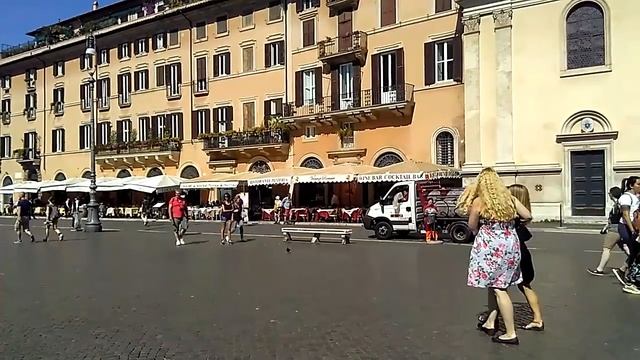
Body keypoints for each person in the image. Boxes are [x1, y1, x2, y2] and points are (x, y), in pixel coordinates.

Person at [457, 168, 532, 345]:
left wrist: (481, 233)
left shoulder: (479, 202)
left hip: (490, 245)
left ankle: (510, 333)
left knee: (499, 288)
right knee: (494, 284)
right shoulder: (510, 199)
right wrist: (511, 224)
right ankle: (491, 322)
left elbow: (472, 225)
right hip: (510, 242)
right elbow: (528, 215)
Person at [508, 184, 543, 331]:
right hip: (524, 254)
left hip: (515, 254)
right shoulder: (521, 219)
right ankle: (537, 319)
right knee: (525, 285)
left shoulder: (512, 218)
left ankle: (493, 318)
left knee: (498, 287)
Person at [588, 186, 624, 276]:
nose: (608, 195)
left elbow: (616, 219)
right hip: (617, 229)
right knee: (627, 250)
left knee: (606, 249)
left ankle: (600, 269)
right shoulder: (618, 204)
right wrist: (605, 227)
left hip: (615, 230)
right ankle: (629, 266)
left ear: (612, 194)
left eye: (609, 193)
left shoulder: (618, 205)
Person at [612, 176, 640, 294]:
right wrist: (633, 230)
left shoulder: (635, 197)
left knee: (635, 252)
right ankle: (630, 277)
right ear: (631, 185)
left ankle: (623, 271)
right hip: (627, 227)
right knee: (636, 252)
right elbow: (625, 215)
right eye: (638, 184)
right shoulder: (626, 197)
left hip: (634, 227)